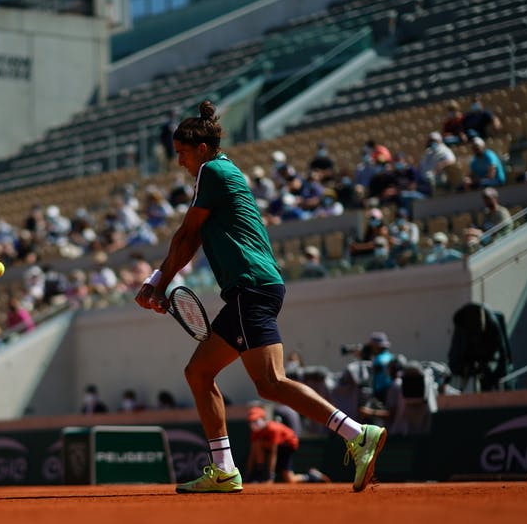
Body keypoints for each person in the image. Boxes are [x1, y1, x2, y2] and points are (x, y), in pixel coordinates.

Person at [134, 101, 386, 494]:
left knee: (264, 380)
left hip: (250, 287)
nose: (179, 162)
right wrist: (160, 280)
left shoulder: (212, 171)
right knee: (212, 375)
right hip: (256, 287)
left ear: (200, 149)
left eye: (182, 154)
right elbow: (194, 238)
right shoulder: (221, 171)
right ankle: (228, 468)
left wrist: (157, 283)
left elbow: (186, 235)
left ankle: (356, 434)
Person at [244, 405, 329, 484]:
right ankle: (259, 474)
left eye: (255, 420)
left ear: (263, 418)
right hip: (276, 448)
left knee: (289, 479)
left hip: (288, 446)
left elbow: (274, 453)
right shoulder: (255, 432)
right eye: (251, 421)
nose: (253, 423)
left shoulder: (273, 429)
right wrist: (248, 474)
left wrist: (270, 476)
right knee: (257, 444)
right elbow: (252, 454)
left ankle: (311, 476)